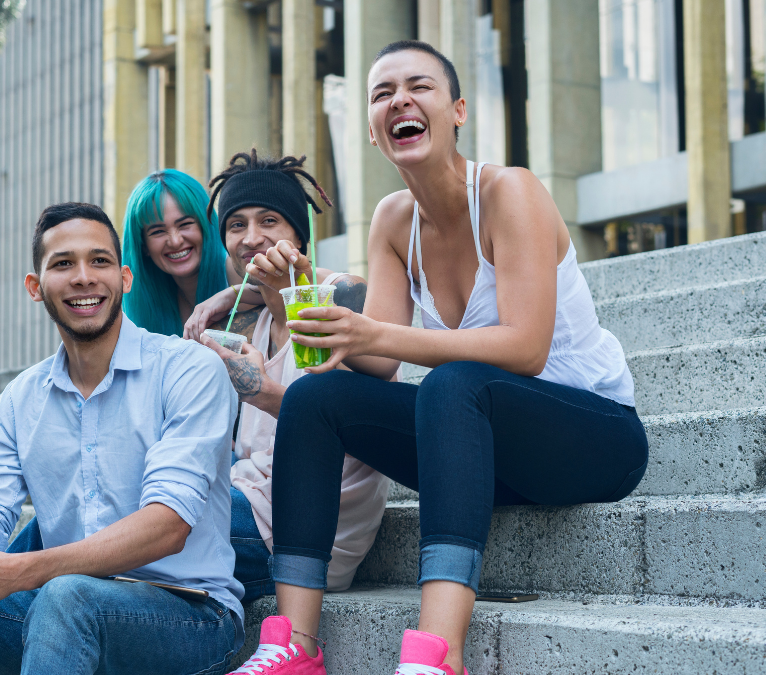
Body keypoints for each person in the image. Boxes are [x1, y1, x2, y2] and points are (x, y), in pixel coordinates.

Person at [232, 41, 649, 675]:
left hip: (594, 438)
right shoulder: (393, 220)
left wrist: (371, 335)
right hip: (486, 453)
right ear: (374, 133)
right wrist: (295, 300)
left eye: (418, 86)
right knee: (319, 399)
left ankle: (435, 655)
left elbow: (525, 347)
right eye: (381, 93)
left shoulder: (510, 191)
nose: (399, 99)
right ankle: (295, 646)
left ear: (456, 110)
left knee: (454, 385)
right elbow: (377, 365)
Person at [0, 202, 244, 675]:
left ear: (125, 278)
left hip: (189, 616)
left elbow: (168, 525)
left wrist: (22, 571)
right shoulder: (19, 401)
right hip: (61, 612)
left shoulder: (189, 368)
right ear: (35, 287)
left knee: (65, 594)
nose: (83, 277)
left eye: (99, 261)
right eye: (63, 264)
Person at [192, 152, 390, 620]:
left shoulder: (345, 296)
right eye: (236, 225)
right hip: (246, 499)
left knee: (108, 532)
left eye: (269, 220)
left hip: (305, 532)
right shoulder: (248, 320)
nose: (251, 237)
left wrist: (260, 388)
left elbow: (344, 420)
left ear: (299, 235)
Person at [121, 168, 236, 336]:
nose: (175, 241)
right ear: (143, 246)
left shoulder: (235, 271)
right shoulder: (138, 304)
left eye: (185, 224)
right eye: (158, 231)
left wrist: (233, 294)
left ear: (206, 225)